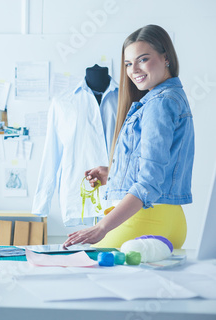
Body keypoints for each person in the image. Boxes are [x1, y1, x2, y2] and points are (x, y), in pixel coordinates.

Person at [64, 24, 194, 252]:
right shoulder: (172, 97)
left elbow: (149, 183)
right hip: (172, 221)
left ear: (166, 58)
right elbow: (159, 169)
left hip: (143, 220)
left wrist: (101, 227)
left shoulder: (158, 103)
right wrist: (114, 175)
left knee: (87, 276)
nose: (134, 69)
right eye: (127, 63)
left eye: (143, 59)